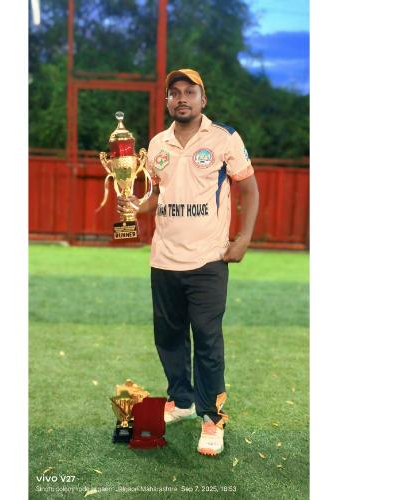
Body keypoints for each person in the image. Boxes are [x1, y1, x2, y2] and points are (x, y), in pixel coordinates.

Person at [117, 68, 259, 456]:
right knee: (169, 337)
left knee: (208, 341)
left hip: (208, 260)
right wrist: (136, 205)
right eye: (174, 92)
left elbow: (249, 187)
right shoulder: (157, 143)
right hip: (164, 260)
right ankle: (181, 401)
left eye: (189, 92)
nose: (181, 98)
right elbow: (158, 194)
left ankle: (212, 418)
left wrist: (244, 238)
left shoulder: (224, 138)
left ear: (202, 99)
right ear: (167, 101)